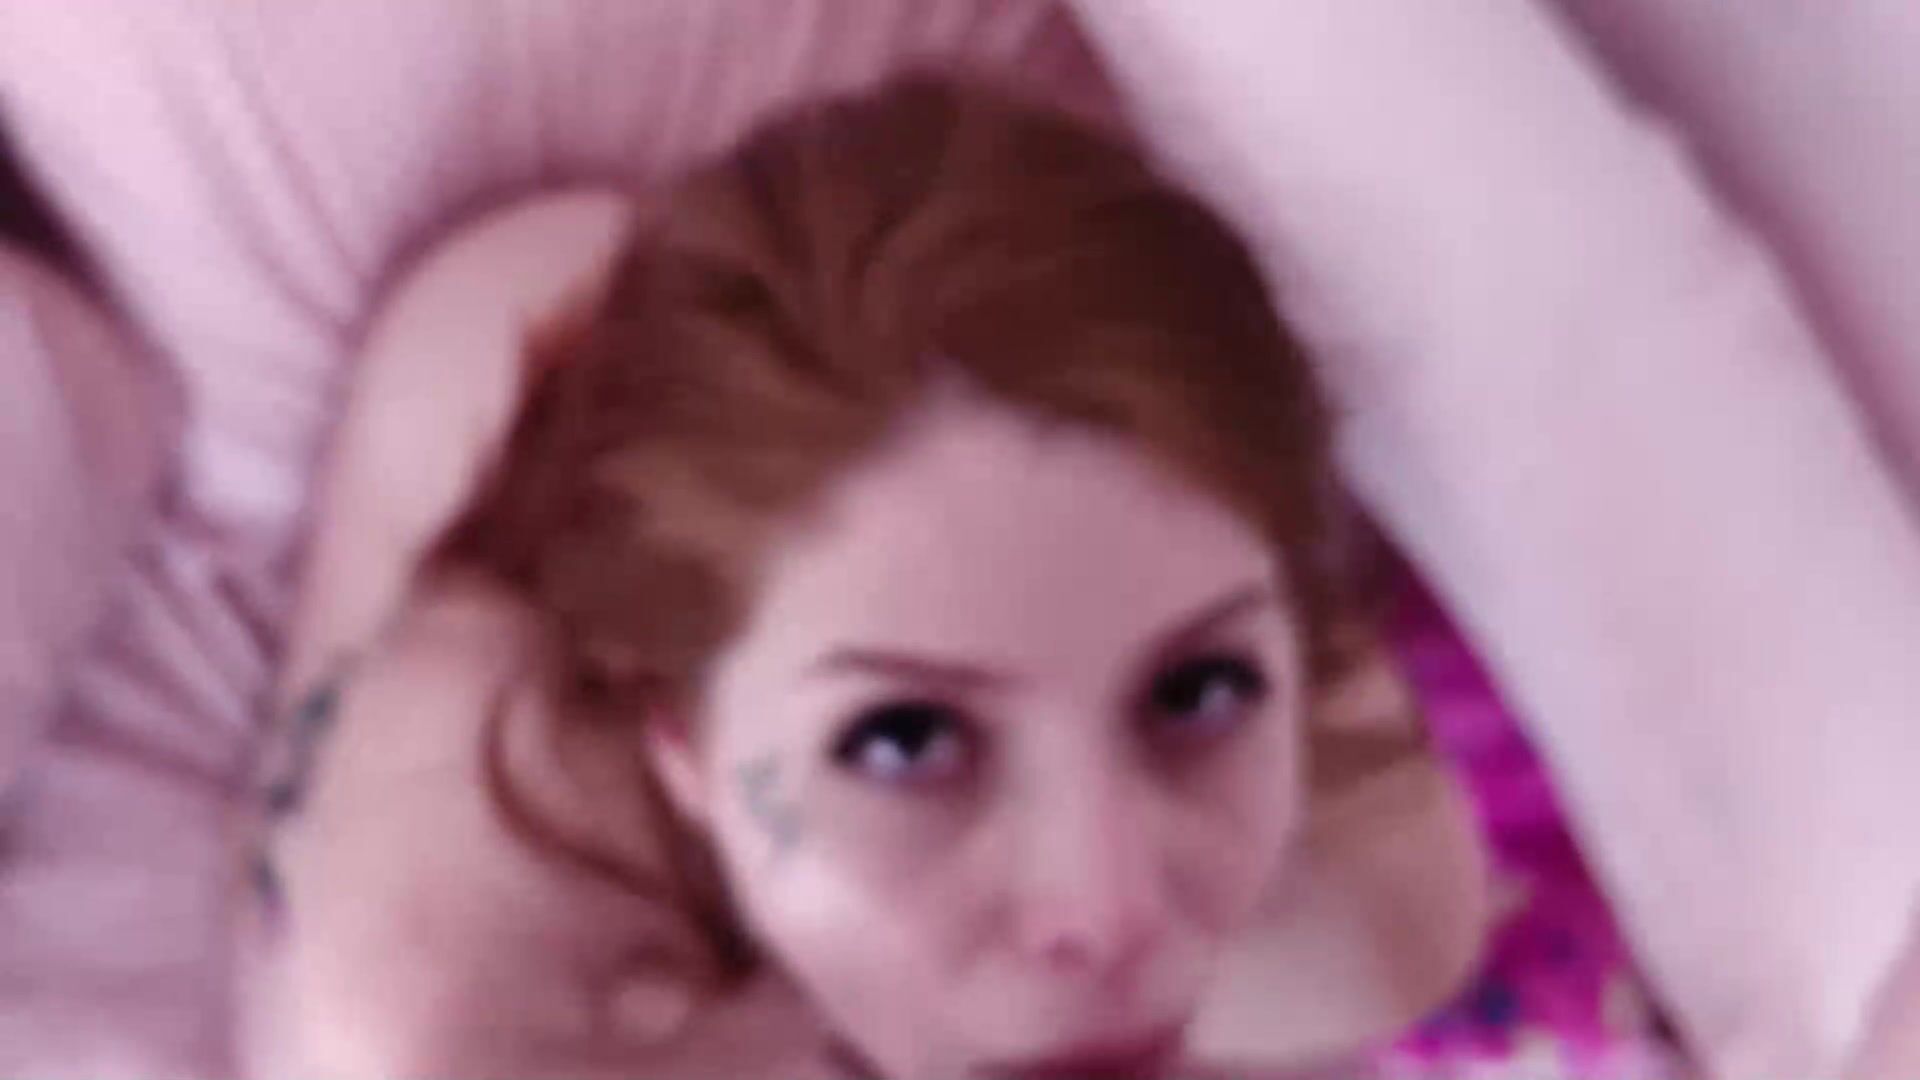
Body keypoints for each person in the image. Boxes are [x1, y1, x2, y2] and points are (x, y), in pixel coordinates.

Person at [249, 73, 1489, 1079]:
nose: (1108, 913)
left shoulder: (1366, 916)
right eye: (905, 740)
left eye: (1200, 689)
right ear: (681, 745)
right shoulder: (453, 990)